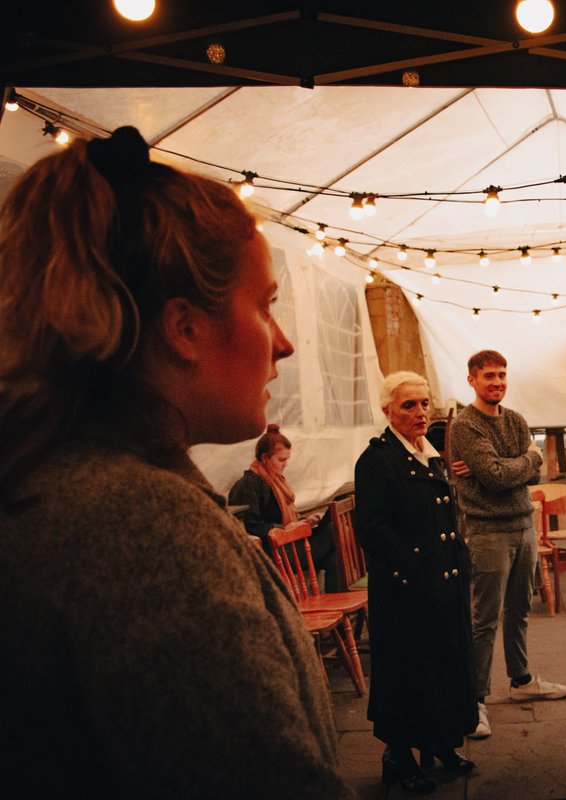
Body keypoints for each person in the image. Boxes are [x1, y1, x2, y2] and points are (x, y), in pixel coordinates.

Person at [0, 127, 353, 798]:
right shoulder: (142, 527)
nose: (284, 345)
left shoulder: (56, 478)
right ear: (184, 327)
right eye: (265, 305)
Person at [354, 371, 478, 793]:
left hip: (445, 581)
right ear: (388, 410)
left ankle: (440, 744)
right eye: (409, 405)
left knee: (445, 665)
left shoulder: (427, 452)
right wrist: (413, 572)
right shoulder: (378, 459)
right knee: (408, 672)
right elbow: (373, 529)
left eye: (425, 403)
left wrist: (459, 560)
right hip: (406, 589)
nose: (421, 412)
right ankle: (399, 756)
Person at [448, 350, 566, 740]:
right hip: (488, 532)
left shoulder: (516, 420)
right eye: (488, 376)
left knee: (520, 609)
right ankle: (474, 701)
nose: (497, 382)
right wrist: (524, 460)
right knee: (484, 618)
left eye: (502, 375)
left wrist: (513, 465)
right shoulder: (466, 427)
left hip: (524, 526)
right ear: (471, 379)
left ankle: (521, 679)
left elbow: (515, 472)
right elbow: (496, 475)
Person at [229, 424, 322, 547]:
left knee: (331, 539)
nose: (285, 465)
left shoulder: (275, 482)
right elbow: (253, 528)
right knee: (332, 533)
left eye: (286, 460)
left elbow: (283, 521)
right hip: (275, 549)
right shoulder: (248, 485)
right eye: (281, 460)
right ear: (265, 458)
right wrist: (285, 529)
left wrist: (305, 522)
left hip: (286, 542)